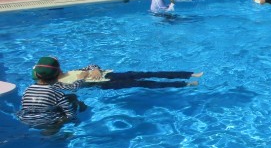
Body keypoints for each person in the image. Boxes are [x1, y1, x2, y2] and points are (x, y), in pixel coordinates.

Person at [17, 56, 85, 130]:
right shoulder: (56, 93)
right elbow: (70, 114)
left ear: (36, 74)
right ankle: (53, 130)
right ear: (58, 76)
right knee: (73, 98)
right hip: (48, 121)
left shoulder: (27, 89)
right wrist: (76, 122)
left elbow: (24, 107)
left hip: (25, 120)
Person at [58, 64, 203, 90]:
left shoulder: (69, 72)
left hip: (109, 75)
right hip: (104, 84)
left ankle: (188, 74)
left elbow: (91, 65)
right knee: (142, 83)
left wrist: (95, 69)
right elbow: (73, 87)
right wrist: (82, 77)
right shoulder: (56, 84)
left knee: (147, 74)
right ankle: (184, 84)